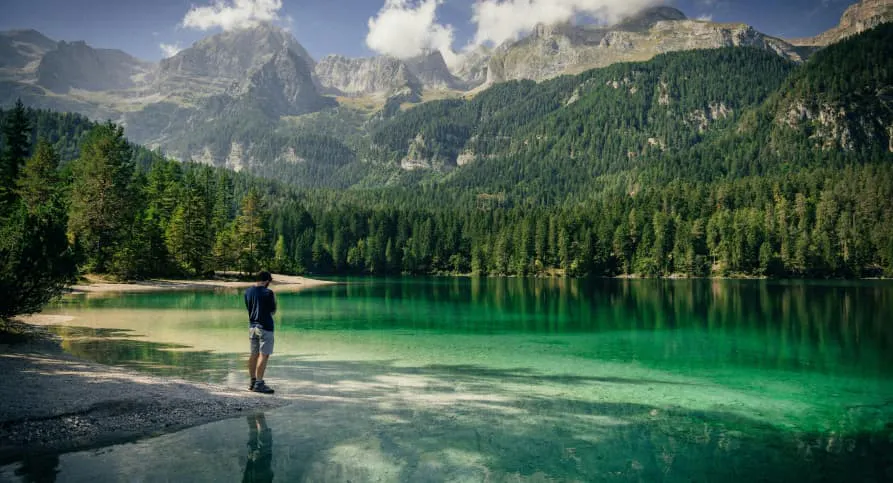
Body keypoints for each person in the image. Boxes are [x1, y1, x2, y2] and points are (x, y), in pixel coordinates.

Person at [245, 270, 276, 394]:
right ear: (267, 281)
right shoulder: (269, 293)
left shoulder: (248, 291)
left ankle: (252, 382)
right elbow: (273, 311)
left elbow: (249, 308)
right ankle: (259, 383)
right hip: (265, 327)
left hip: (252, 327)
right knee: (264, 355)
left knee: (254, 354)